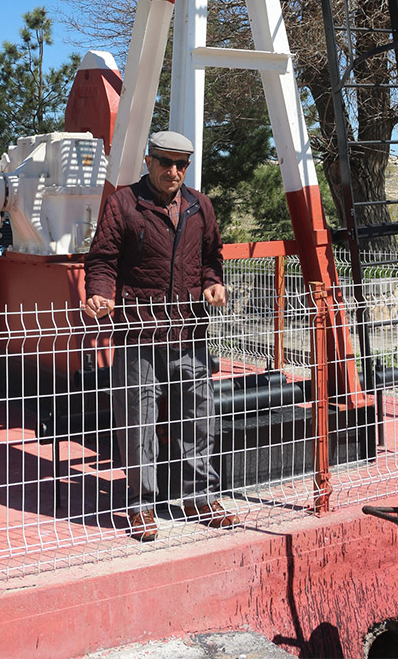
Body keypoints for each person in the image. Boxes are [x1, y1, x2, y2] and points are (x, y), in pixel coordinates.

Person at [84, 129, 239, 541]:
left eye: (181, 164)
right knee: (138, 422)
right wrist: (99, 293)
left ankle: (199, 497)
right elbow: (102, 260)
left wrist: (212, 283)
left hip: (188, 331)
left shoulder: (199, 206)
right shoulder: (124, 204)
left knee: (198, 418)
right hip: (139, 332)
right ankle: (141, 505)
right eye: (166, 163)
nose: (173, 171)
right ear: (149, 161)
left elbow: (211, 257)